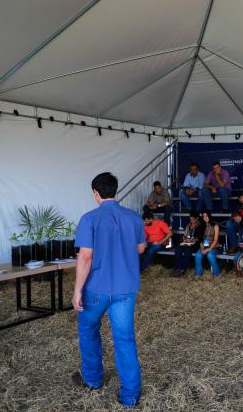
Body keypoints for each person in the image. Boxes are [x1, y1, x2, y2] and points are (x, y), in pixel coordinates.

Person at [72, 172, 146, 407]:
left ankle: (93, 380)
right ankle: (130, 395)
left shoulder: (89, 219)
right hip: (125, 289)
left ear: (96, 193)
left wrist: (77, 290)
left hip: (96, 288)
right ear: (115, 190)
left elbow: (85, 257)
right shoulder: (133, 217)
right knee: (125, 338)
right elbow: (141, 248)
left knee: (88, 330)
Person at [172, 211, 204, 277]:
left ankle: (183, 269)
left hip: (195, 243)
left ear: (197, 218)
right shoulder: (188, 225)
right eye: (191, 219)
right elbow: (185, 235)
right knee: (178, 250)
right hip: (187, 242)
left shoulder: (200, 226)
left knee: (187, 252)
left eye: (193, 219)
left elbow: (199, 238)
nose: (192, 221)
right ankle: (177, 268)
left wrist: (191, 240)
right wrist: (185, 239)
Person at [195, 210, 221, 277]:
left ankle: (216, 273)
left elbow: (215, 240)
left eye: (206, 216)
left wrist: (209, 249)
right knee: (198, 255)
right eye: (203, 217)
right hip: (204, 245)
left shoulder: (215, 226)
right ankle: (198, 274)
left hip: (214, 246)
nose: (205, 218)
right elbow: (200, 239)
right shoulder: (202, 226)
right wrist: (202, 248)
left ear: (209, 216)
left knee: (210, 255)